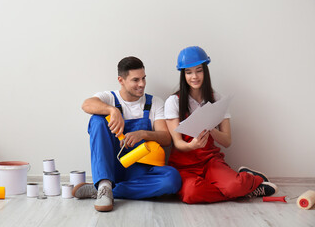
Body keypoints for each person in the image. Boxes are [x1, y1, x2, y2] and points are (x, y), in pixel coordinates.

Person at [164, 46, 278, 204]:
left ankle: (251, 180)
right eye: (188, 72)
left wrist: (211, 130)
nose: (194, 76)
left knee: (234, 186)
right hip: (184, 166)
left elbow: (227, 141)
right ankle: (246, 191)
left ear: (206, 71)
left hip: (211, 161)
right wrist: (193, 145)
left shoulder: (217, 98)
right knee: (192, 194)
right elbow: (177, 143)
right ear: (183, 75)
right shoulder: (173, 102)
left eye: (199, 70)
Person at [74, 56, 182, 212]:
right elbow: (86, 104)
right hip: (113, 167)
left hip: (140, 172)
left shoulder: (154, 103)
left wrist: (143, 134)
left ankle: (104, 191)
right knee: (97, 119)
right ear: (121, 80)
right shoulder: (109, 98)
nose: (142, 84)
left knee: (172, 180)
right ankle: (104, 183)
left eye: (144, 78)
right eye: (136, 80)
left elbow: (166, 138)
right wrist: (112, 110)